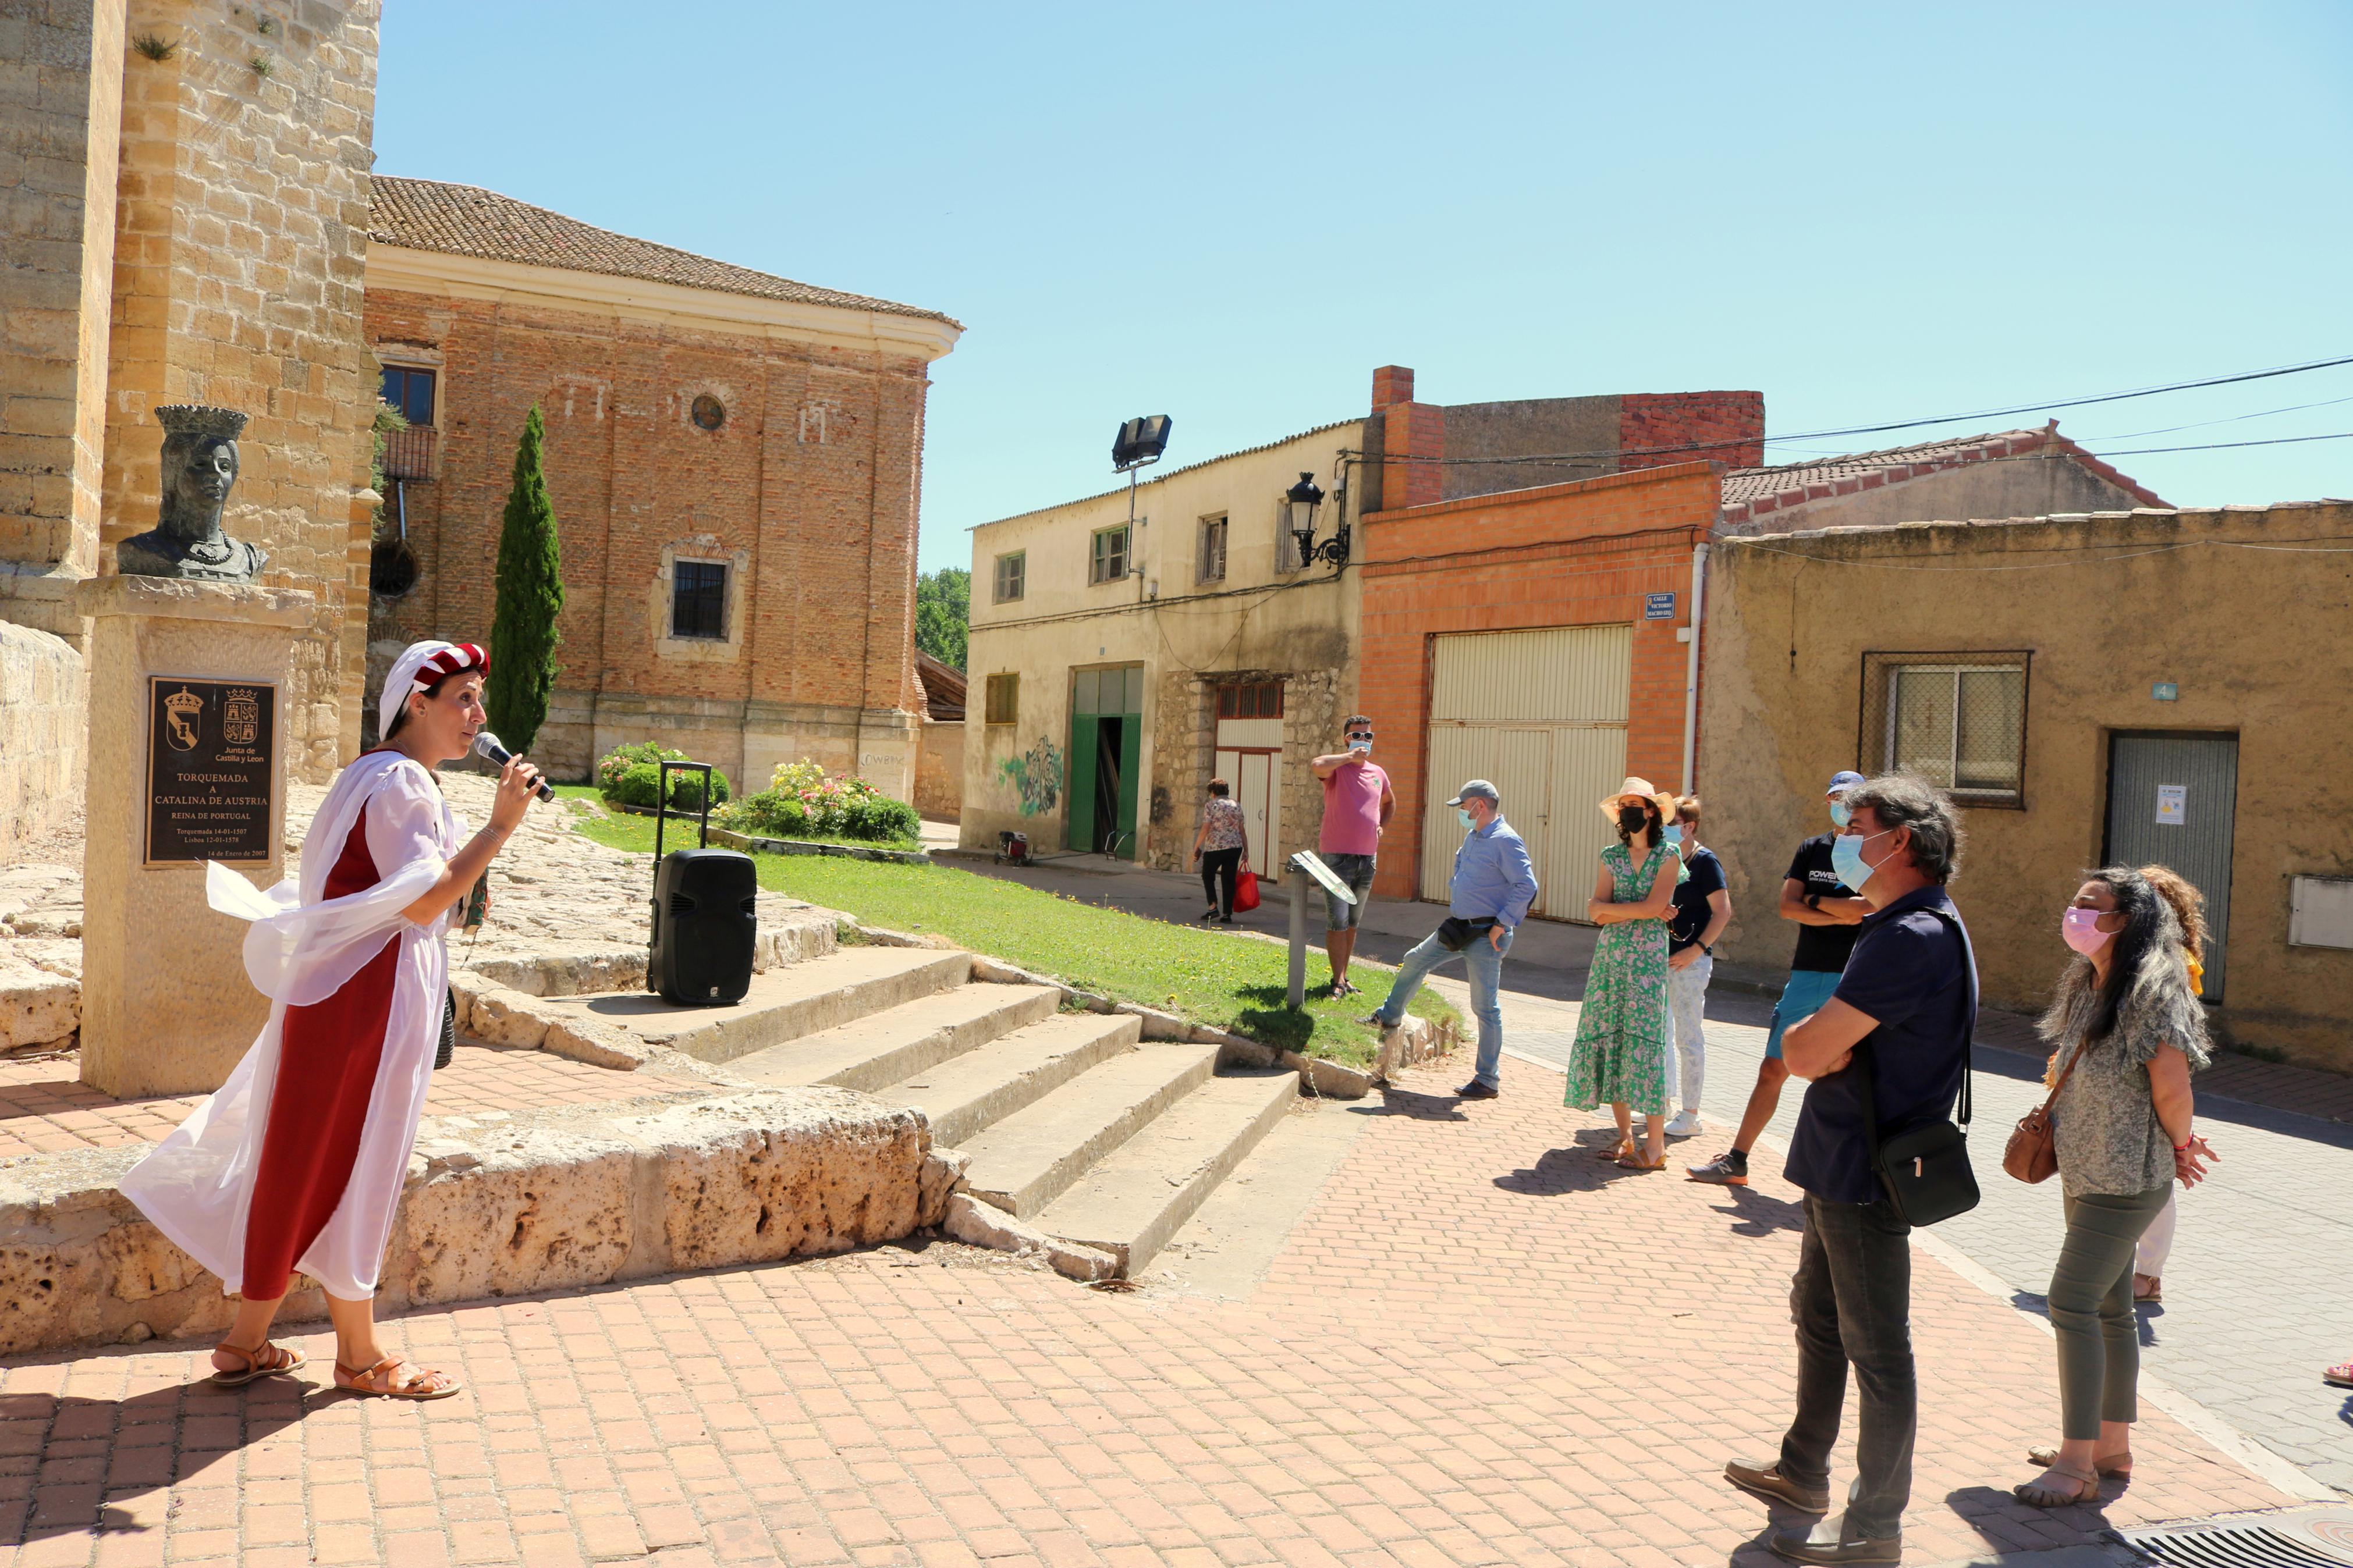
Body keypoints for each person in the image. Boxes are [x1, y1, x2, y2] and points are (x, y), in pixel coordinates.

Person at [120, 641, 545, 1400]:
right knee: (360, 1157)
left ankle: (247, 1338)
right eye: (465, 698)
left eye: (480, 700)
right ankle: (360, 1355)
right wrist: (498, 827)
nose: (479, 717)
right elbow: (420, 903)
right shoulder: (406, 785)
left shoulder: (364, 773)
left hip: (333, 993)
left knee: (300, 1152)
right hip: (372, 996)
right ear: (417, 699)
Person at [1723, 773, 1974, 1566]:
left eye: (1855, 822)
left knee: (1876, 1347)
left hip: (1866, 1170)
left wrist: (1810, 1038)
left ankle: (1874, 1526)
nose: (1841, 835)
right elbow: (1819, 1047)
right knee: (1820, 1320)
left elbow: (1801, 1049)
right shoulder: (1900, 921)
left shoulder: (1910, 934)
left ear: (1897, 839)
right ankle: (1801, 1473)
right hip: (1839, 1161)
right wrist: (1818, 1041)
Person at [2013, 866, 2216, 1508]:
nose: (2073, 912)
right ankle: (2109, 1447)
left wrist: (2182, 1147)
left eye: (2088, 905)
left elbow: (2172, 1085)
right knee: (2107, 1310)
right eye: (2073, 900)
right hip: (2084, 1166)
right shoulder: (2086, 982)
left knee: (2069, 1302)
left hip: (2127, 1177)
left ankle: (2075, 1465)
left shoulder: (2155, 988)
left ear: (2124, 920)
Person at [1690, 771, 1869, 1187]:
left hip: (1852, 978)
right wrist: (1834, 908)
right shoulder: (1811, 848)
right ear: (1827, 799)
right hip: (1806, 975)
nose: (1844, 803)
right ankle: (1736, 1160)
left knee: (1846, 1077)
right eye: (1837, 796)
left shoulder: (1872, 852)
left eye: (1852, 797)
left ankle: (1842, 1173)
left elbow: (1864, 910)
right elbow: (1788, 908)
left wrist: (1814, 901)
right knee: (1772, 1069)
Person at [1361, 780, 1536, 1099]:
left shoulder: (1506, 840)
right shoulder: (1474, 835)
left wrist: (1503, 924)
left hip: (1487, 935)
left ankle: (1487, 1080)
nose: (1462, 812)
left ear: (1479, 806)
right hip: (1458, 928)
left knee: (1485, 1007)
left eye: (1464, 806)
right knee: (1415, 959)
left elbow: (1526, 886)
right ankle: (1389, 1015)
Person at [1564, 779, 1684, 1169]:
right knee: (1612, 1035)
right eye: (1623, 805)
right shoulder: (1610, 854)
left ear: (1651, 810)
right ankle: (1625, 1137)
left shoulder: (1668, 854)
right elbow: (1594, 911)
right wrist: (1634, 909)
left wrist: (1613, 908)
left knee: (1645, 1042)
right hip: (1611, 958)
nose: (1626, 810)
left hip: (1648, 959)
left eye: (1633, 804)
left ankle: (1655, 1147)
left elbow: (1638, 906)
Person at [1309, 715, 1393, 998]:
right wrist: (1349, 757)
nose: (1364, 741)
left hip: (1368, 857)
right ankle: (1336, 980)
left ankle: (1344, 978)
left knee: (1353, 923)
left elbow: (1390, 802)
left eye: (1368, 737)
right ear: (1347, 738)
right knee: (1338, 922)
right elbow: (1316, 765)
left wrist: (1382, 824)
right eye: (1358, 736)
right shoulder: (1337, 769)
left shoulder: (1378, 773)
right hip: (1337, 856)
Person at [1664, 795, 1731, 1139]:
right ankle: (1661, 1102)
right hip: (1659, 958)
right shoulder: (1666, 859)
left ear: (1688, 827)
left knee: (1688, 1037)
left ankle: (1690, 1115)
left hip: (1690, 963)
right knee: (1660, 1034)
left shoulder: (1706, 862)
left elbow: (1722, 912)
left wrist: (1697, 949)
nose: (1663, 830)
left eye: (1670, 824)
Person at [1190, 778, 1248, 923]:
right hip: (1235, 847)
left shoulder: (1211, 805)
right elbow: (1242, 830)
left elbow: (1205, 828)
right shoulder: (1236, 805)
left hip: (1215, 847)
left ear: (1213, 792)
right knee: (1228, 880)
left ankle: (1213, 907)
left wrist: (1196, 847)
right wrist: (1246, 850)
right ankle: (1227, 914)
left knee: (1208, 875)